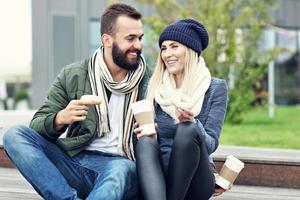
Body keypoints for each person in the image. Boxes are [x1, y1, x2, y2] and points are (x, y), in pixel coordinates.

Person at [3, 3, 148, 200]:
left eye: (140, 38)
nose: (138, 45)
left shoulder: (150, 80)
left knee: (121, 169)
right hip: (74, 159)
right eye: (130, 38)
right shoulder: (73, 75)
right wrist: (61, 118)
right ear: (107, 40)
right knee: (14, 135)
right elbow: (37, 126)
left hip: (120, 163)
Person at [134, 19, 228, 200]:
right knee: (145, 141)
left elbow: (210, 145)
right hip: (158, 173)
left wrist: (192, 122)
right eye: (163, 48)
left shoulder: (215, 88)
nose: (167, 54)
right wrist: (146, 134)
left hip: (195, 178)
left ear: (191, 50)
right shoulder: (153, 86)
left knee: (187, 129)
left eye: (174, 46)